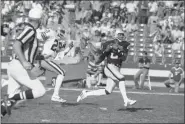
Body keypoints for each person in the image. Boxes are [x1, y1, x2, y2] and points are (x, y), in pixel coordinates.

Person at [1, 8, 46, 117]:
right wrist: (24, 61)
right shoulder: (31, 30)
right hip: (19, 66)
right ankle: (10, 98)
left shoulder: (28, 29)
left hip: (15, 66)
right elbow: (16, 45)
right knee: (40, 91)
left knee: (9, 104)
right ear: (39, 20)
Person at [77, 29, 136, 107]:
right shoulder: (108, 43)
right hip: (110, 66)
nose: (121, 36)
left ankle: (86, 93)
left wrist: (119, 50)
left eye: (122, 34)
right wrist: (89, 43)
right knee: (121, 78)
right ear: (116, 35)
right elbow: (98, 47)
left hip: (117, 68)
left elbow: (124, 58)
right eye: (120, 34)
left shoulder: (126, 44)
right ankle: (126, 100)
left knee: (108, 91)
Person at [37, 26, 73, 103]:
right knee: (62, 72)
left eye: (64, 32)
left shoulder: (61, 41)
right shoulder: (52, 33)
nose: (63, 33)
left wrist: (69, 48)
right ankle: (55, 95)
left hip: (46, 59)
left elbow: (59, 56)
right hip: (45, 58)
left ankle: (13, 88)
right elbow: (39, 36)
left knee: (30, 76)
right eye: (62, 31)